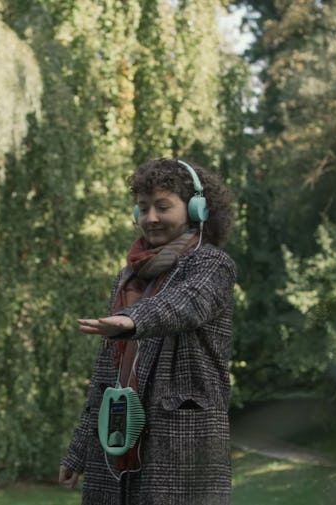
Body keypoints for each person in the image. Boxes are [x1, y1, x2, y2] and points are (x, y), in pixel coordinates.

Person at [59, 158, 237, 505]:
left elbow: (187, 303)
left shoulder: (212, 264)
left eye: (162, 206)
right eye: (143, 208)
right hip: (113, 448)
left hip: (181, 450)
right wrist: (78, 452)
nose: (150, 217)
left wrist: (134, 321)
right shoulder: (127, 277)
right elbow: (105, 377)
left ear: (197, 209)